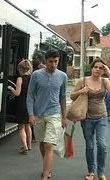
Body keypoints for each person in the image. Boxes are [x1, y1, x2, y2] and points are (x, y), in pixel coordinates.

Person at [70, 58, 110, 180]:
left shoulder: (104, 81)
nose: (97, 69)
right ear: (91, 68)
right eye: (95, 67)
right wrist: (81, 90)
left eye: (101, 68)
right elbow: (72, 96)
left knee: (102, 145)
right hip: (86, 118)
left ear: (103, 70)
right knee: (90, 145)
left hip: (101, 117)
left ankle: (101, 172)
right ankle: (91, 171)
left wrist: (109, 73)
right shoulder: (83, 80)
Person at [27, 50, 67, 180]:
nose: (54, 64)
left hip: (54, 113)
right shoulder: (36, 75)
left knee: (49, 145)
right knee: (42, 143)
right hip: (38, 115)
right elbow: (30, 95)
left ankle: (45, 175)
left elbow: (62, 97)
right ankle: (46, 168)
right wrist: (31, 114)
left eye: (56, 61)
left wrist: (64, 117)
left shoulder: (62, 76)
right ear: (45, 61)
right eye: (51, 61)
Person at [8, 59, 32, 154]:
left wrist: (11, 88)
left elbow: (17, 93)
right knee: (28, 126)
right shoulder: (32, 78)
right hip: (30, 105)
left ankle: (24, 146)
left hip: (21, 105)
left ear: (20, 69)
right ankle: (29, 145)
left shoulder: (20, 79)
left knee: (21, 127)